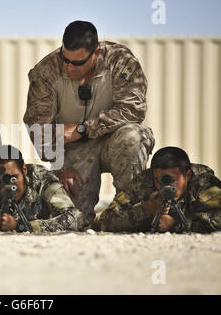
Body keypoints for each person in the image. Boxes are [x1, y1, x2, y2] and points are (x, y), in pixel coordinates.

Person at [23, 20, 155, 228]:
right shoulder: (46, 72)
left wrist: (83, 129)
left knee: (134, 137)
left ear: (96, 52)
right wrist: (60, 166)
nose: (69, 67)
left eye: (78, 63)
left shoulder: (120, 61)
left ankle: (130, 211)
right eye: (65, 59)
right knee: (74, 220)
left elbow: (132, 110)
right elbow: (38, 127)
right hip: (74, 151)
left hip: (116, 140)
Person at [92, 147, 221, 233]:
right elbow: (105, 221)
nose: (164, 186)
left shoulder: (202, 183)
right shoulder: (143, 181)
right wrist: (144, 210)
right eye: (158, 180)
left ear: (188, 175)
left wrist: (175, 225)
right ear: (152, 175)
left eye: (171, 180)